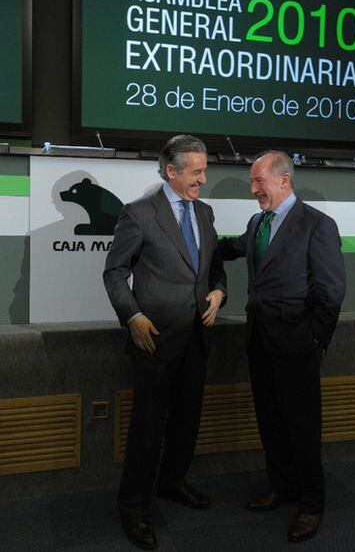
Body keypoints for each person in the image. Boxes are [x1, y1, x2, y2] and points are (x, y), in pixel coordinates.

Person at [103, 135, 226, 550]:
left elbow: (212, 268)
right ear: (171, 171)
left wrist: (219, 293)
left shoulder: (205, 214)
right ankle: (134, 508)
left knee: (186, 423)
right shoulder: (138, 215)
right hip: (154, 341)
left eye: (204, 170)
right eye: (196, 171)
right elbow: (115, 273)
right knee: (147, 429)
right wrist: (133, 316)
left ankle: (172, 484)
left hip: (196, 341)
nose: (203, 179)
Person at [219, 151, 346, 543]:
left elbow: (331, 291)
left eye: (259, 181)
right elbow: (234, 247)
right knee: (270, 419)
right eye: (253, 182)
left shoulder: (317, 225)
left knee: (302, 426)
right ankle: (282, 486)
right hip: (259, 341)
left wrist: (312, 339)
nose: (253, 189)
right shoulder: (258, 222)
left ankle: (311, 503)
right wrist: (192, 242)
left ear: (284, 180)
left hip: (297, 345)